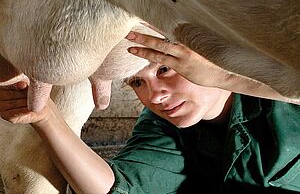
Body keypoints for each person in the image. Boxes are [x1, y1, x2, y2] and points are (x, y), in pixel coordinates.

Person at [0, 30, 299, 194]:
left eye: (166, 69)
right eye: (137, 83)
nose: (154, 95)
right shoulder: (164, 126)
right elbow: (116, 187)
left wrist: (225, 76)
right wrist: (48, 119)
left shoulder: (279, 95)